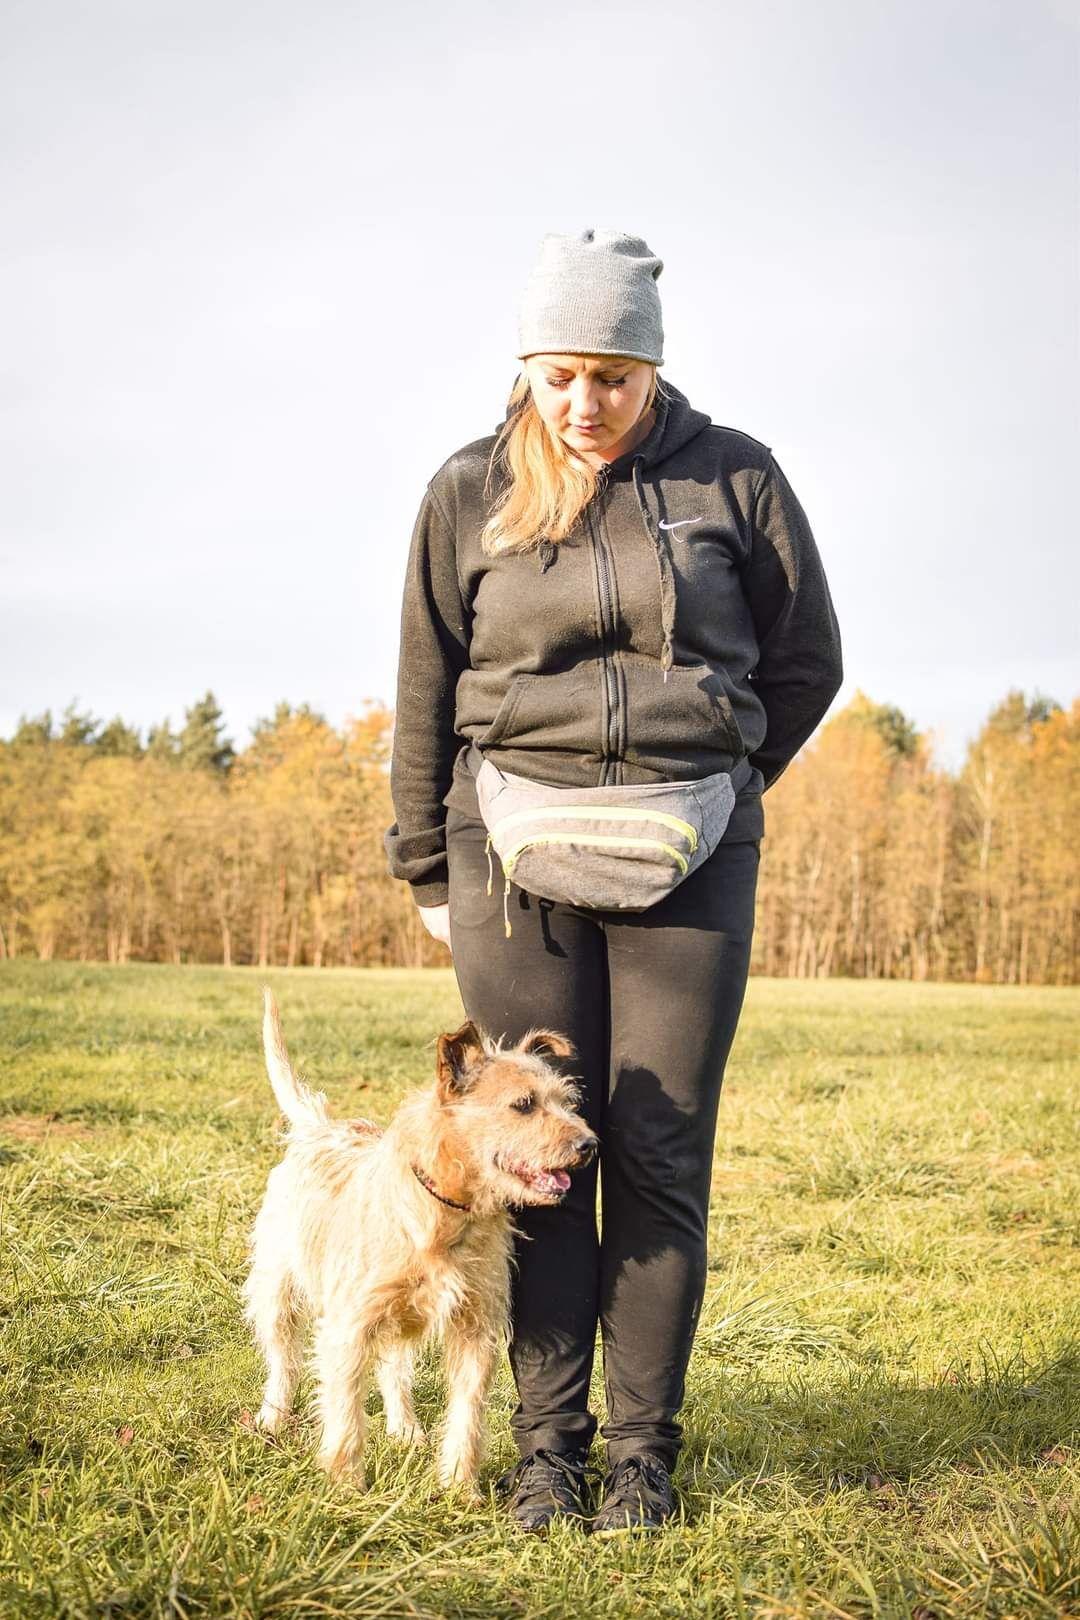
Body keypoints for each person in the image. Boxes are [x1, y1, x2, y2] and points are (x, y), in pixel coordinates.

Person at [384, 229, 843, 1534]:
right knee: (538, 1163)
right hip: (511, 863)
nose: (585, 404)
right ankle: (548, 1452)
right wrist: (425, 859)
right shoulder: (466, 489)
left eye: (615, 376)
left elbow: (808, 661)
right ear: (526, 365)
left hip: (692, 853)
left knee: (653, 1152)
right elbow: (426, 684)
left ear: (654, 366)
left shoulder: (736, 477)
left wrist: (729, 781)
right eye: (561, 374)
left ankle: (639, 1456)